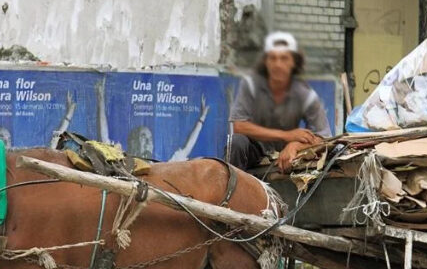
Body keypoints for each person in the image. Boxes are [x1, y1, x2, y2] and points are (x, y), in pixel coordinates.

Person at [229, 31, 331, 173]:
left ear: (293, 62)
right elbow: (239, 126)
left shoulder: (306, 95)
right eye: (273, 58)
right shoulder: (251, 86)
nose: (278, 64)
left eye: (284, 58)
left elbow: (323, 137)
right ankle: (233, 189)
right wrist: (286, 135)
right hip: (255, 152)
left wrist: (294, 145)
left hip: (288, 157)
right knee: (237, 142)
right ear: (266, 62)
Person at [95, 75, 210, 161]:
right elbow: (104, 138)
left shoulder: (161, 168)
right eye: (143, 137)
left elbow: (186, 149)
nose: (147, 143)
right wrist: (100, 99)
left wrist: (202, 118)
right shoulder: (123, 163)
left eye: (149, 140)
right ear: (133, 142)